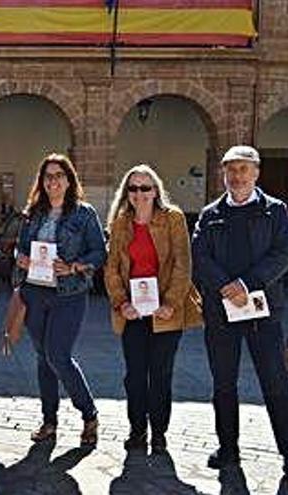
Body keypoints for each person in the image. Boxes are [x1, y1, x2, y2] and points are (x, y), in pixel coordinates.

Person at [191, 145, 288, 486]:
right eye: (231, 170)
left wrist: (247, 283)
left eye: (243, 169)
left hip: (263, 313)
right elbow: (200, 256)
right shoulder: (210, 214)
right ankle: (228, 450)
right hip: (221, 313)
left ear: (257, 173)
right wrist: (226, 286)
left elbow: (284, 254)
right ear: (223, 174)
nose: (236, 176)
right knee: (224, 384)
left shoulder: (276, 211)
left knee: (276, 385)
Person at [104, 164, 202, 454]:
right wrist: (121, 303)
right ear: (127, 193)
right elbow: (112, 269)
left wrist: (171, 303)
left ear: (156, 190)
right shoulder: (121, 222)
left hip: (165, 313)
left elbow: (183, 265)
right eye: (133, 188)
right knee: (134, 375)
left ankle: (159, 433)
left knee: (160, 374)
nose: (139, 194)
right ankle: (137, 430)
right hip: (133, 311)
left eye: (145, 188)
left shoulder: (173, 218)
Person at [9, 152, 105, 446]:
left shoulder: (84, 213)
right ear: (42, 181)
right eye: (48, 176)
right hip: (35, 292)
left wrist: (74, 265)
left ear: (69, 180)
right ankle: (49, 421)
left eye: (59, 176)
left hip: (69, 294)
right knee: (42, 357)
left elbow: (99, 253)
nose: (53, 182)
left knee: (57, 356)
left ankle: (89, 413)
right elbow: (19, 249)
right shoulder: (33, 213)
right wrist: (21, 259)